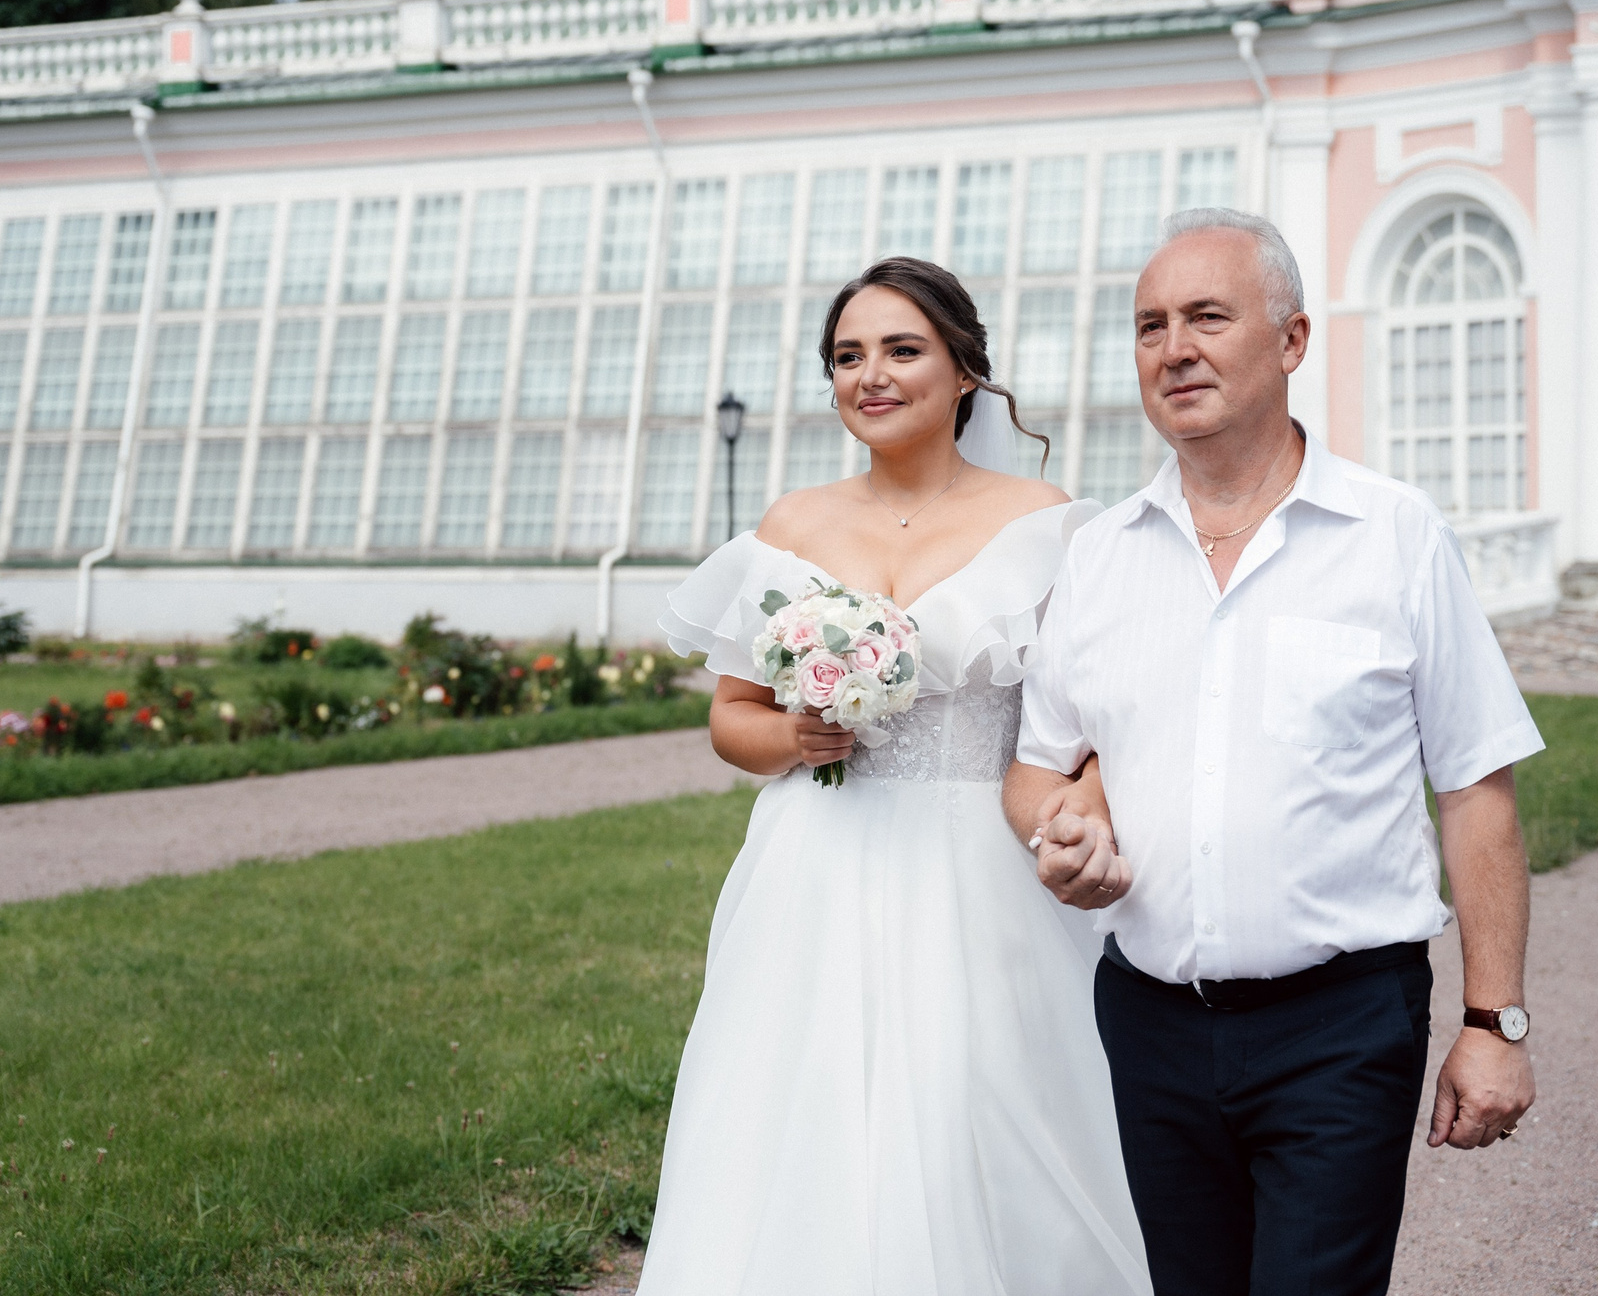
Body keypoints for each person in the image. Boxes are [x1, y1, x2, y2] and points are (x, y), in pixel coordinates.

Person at [1006, 207, 1544, 1296]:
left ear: (1291, 340)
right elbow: (1035, 767)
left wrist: (1494, 1020)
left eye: (1208, 315)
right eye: (1150, 324)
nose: (1174, 348)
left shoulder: (1391, 533)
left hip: (1338, 1023)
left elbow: (1477, 784)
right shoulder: (1101, 555)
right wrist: (1061, 831)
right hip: (1148, 1020)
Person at [642, 256, 1150, 1296]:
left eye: (901, 348)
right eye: (846, 355)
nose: (870, 374)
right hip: (811, 869)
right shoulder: (792, 524)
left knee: (977, 1103)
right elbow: (730, 717)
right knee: (800, 1113)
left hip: (981, 874)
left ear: (965, 369)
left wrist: (1081, 804)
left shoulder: (1048, 522)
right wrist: (796, 739)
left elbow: (1098, 720)